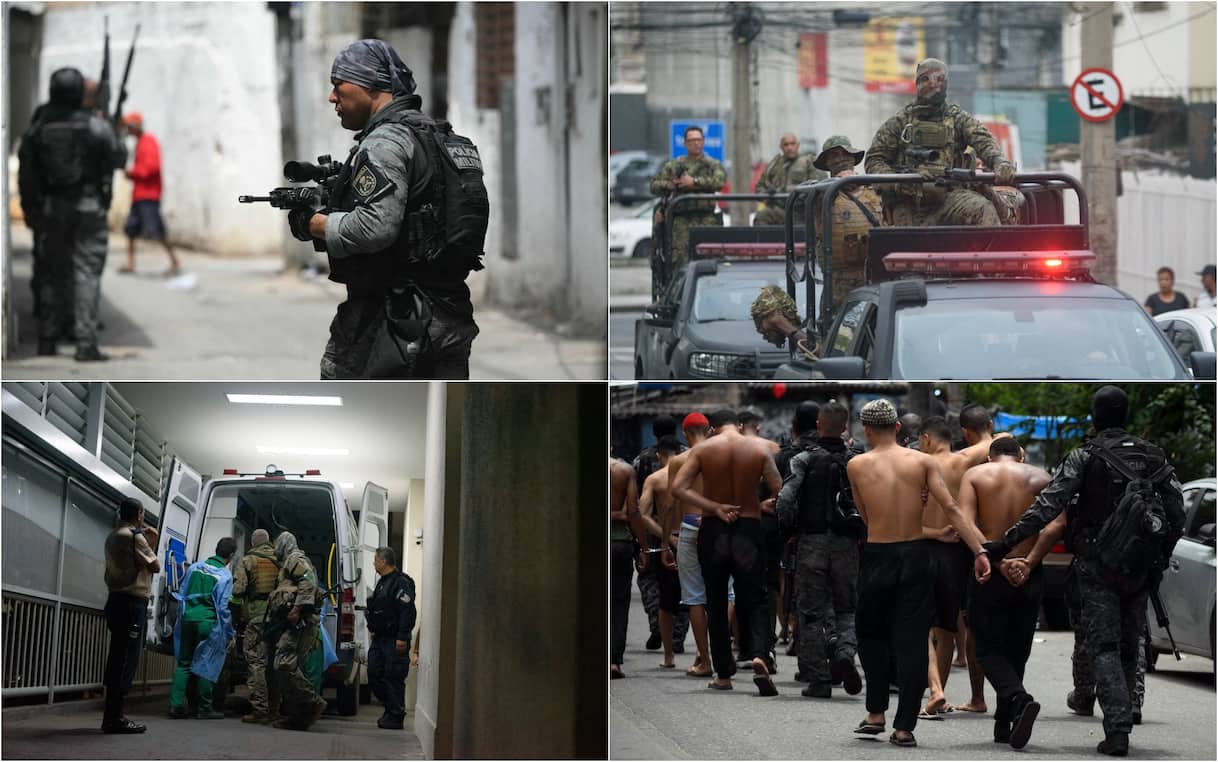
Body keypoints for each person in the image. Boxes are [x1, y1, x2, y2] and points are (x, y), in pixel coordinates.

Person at [980, 386, 1185, 757]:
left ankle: (1118, 731)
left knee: (1104, 646)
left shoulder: (1085, 456)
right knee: (1129, 645)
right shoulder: (1154, 456)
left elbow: (1048, 506)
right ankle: (1123, 718)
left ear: (1095, 416)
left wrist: (1005, 543)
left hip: (1098, 567)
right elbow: (1177, 513)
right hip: (1139, 569)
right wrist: (1158, 559)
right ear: (1126, 415)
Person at [306, 39, 484, 379]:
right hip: (450, 315)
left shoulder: (385, 141)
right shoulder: (443, 140)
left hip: (390, 319)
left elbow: (374, 228)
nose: (332, 97)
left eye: (338, 84)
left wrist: (314, 224)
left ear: (371, 85)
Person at [845, 399, 989, 749]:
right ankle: (905, 727)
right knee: (912, 641)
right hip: (915, 556)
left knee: (871, 635)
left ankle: (875, 713)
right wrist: (980, 551)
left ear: (866, 430)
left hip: (878, 555)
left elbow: (865, 516)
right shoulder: (922, 462)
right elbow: (951, 508)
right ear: (898, 427)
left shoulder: (856, 465)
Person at [17, 66, 126, 361]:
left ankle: (48, 340)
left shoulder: (38, 130)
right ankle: (85, 343)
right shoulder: (95, 127)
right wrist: (113, 125)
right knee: (87, 273)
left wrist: (30, 209)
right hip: (88, 207)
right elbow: (118, 158)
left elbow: (27, 175)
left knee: (52, 272)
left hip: (52, 208)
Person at [670, 409, 782, 694]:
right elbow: (779, 489)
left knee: (716, 600)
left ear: (712, 429)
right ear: (740, 425)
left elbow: (679, 488)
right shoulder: (758, 449)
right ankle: (759, 654)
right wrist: (760, 504)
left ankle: (722, 674)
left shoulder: (704, 450)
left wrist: (714, 507)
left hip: (714, 530)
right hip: (749, 528)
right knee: (756, 598)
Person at [956, 438, 1052, 748]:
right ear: (1021, 456)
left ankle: (1018, 699)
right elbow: (1055, 526)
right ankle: (1004, 721)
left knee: (986, 647)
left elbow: (965, 521)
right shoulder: (1041, 477)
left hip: (989, 571)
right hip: (1029, 573)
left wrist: (995, 560)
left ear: (989, 457)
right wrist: (1028, 562)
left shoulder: (975, 475)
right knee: (1017, 647)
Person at [917, 415, 1005, 718]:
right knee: (951, 628)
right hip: (959, 550)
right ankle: (944, 695)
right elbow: (991, 443)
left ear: (926, 439)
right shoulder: (963, 462)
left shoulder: (918, 464)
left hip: (927, 546)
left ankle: (935, 692)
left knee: (923, 625)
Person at [776, 400, 864, 699]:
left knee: (810, 613)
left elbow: (784, 500)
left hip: (811, 543)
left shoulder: (803, 458)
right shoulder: (857, 461)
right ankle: (845, 653)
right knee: (847, 608)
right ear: (845, 427)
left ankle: (819, 679)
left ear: (818, 425)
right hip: (847, 545)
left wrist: (789, 528)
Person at [865, 58, 1016, 227]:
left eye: (939, 79)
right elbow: (874, 160)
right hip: (908, 203)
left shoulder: (958, 118)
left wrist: (999, 162)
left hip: (950, 199)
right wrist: (899, 182)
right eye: (925, 79)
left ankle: (989, 247)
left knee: (983, 209)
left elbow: (983, 141)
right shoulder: (900, 122)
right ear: (917, 83)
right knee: (901, 236)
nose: (932, 84)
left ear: (946, 84)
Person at [101, 497, 160, 733]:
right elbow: (155, 565)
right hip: (133, 603)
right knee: (127, 659)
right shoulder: (135, 536)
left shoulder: (113, 535)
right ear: (139, 514)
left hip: (115, 600)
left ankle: (110, 716)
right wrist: (152, 540)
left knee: (116, 656)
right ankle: (116, 718)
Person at [662, 413, 714, 677]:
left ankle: (704, 659)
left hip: (690, 525)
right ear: (709, 429)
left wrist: (665, 541)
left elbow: (670, 504)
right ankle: (720, 649)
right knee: (726, 594)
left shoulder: (678, 461)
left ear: (685, 434)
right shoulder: (719, 456)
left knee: (694, 596)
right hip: (715, 525)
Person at [632, 415, 689, 654]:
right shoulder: (689, 456)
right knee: (686, 583)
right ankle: (677, 635)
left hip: (652, 529)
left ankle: (658, 622)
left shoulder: (640, 460)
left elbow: (635, 502)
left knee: (649, 578)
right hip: (685, 527)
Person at [169, 537, 237, 720]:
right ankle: (205, 708)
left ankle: (175, 705)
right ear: (231, 556)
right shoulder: (225, 576)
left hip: (187, 618)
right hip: (208, 622)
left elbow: (182, 593)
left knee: (184, 663)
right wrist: (229, 632)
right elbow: (223, 608)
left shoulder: (194, 567)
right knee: (206, 664)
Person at [266, 532, 328, 730]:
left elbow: (308, 581)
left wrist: (296, 608)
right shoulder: (288, 562)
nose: (274, 548)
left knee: (283, 664)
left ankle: (311, 703)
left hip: (300, 622)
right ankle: (298, 716)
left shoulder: (295, 559)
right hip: (295, 622)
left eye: (277, 543)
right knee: (287, 665)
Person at [773, 400, 821, 655]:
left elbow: (779, 499)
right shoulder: (839, 453)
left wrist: (785, 529)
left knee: (792, 586)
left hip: (794, 536)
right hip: (832, 534)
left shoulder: (784, 456)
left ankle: (794, 633)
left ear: (794, 426)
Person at [812, 135, 883, 306]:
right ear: (827, 162)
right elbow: (810, 205)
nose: (840, 158)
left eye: (845, 153)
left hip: (874, 280)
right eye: (834, 155)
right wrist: (837, 184)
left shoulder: (874, 189)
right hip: (840, 286)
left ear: (852, 157)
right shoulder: (822, 193)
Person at [737, 409, 783, 671]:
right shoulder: (772, 449)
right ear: (759, 427)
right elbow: (781, 491)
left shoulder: (730, 451)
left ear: (739, 426)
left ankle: (747, 648)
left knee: (743, 585)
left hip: (740, 523)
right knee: (769, 586)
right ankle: (766, 647)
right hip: (768, 523)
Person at [649, 126, 727, 277]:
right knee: (680, 261)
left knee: (708, 258)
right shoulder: (674, 165)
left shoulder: (712, 164)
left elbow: (720, 181)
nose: (696, 143)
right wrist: (670, 185)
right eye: (691, 140)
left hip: (706, 218)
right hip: (681, 219)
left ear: (703, 142)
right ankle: (680, 288)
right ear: (685, 143)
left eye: (698, 140)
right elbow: (654, 186)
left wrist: (694, 182)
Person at [118, 112, 180, 277]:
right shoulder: (140, 143)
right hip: (139, 194)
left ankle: (174, 261)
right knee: (131, 229)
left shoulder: (148, 141)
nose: (127, 131)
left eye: (129, 127)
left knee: (157, 230)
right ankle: (130, 263)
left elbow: (152, 167)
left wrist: (133, 173)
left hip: (149, 195)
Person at [231, 529, 281, 723]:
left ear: (253, 543)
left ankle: (260, 708)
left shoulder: (248, 560)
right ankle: (275, 709)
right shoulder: (280, 559)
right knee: (275, 663)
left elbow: (238, 590)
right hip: (278, 619)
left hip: (257, 617)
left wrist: (236, 615)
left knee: (256, 662)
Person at [366, 546, 418, 729]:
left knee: (393, 676)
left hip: (394, 640)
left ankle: (396, 715)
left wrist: (402, 637)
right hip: (379, 638)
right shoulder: (382, 582)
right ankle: (390, 708)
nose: (373, 563)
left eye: (375, 560)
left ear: (383, 561)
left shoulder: (400, 582)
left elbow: (407, 611)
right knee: (373, 673)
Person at [610, 454, 645, 679]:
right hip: (619, 543)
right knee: (619, 602)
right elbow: (633, 512)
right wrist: (643, 547)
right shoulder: (623, 471)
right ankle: (614, 660)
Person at [753, 133, 825, 226]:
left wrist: (802, 196)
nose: (789, 147)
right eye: (786, 144)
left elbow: (819, 186)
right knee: (762, 216)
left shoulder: (808, 162)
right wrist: (767, 193)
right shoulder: (774, 165)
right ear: (781, 147)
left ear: (798, 145)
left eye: (792, 144)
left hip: (802, 211)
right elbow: (759, 188)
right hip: (781, 210)